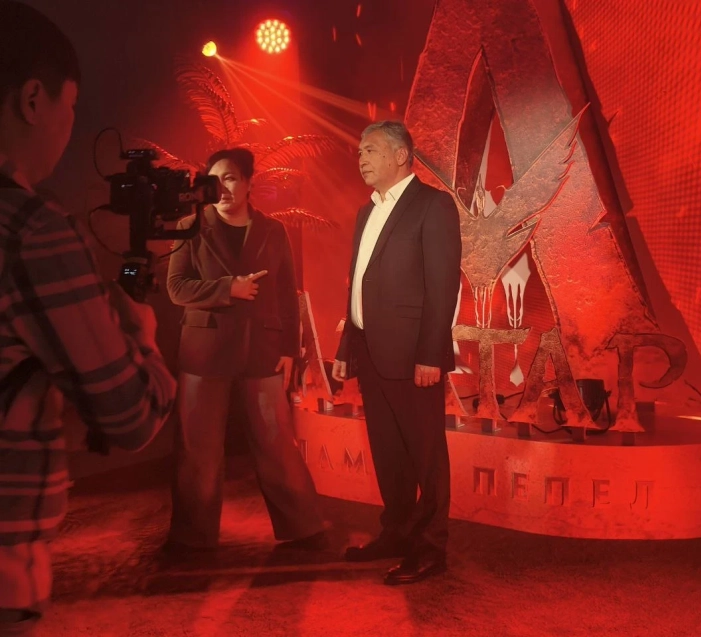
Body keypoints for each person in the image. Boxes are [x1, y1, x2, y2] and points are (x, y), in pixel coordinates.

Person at [0, 3, 177, 634]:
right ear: (32, 100)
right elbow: (129, 414)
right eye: (70, 105)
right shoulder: (33, 232)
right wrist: (144, 340)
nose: (71, 124)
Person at [165, 147, 326, 552]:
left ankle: (304, 527)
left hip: (262, 350)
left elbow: (287, 294)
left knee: (276, 442)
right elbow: (176, 288)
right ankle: (192, 537)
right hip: (204, 352)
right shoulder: (190, 227)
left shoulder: (273, 231)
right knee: (198, 450)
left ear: (249, 182)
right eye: (214, 179)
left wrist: (289, 348)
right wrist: (228, 289)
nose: (223, 188)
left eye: (232, 178)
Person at [333, 121, 462, 585]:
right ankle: (398, 533)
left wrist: (431, 354)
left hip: (413, 358)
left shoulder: (433, 205)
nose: (361, 158)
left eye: (370, 150)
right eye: (359, 151)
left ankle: (430, 548)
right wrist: (347, 346)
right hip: (370, 351)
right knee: (388, 453)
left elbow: (443, 287)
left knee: (426, 455)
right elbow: (358, 286)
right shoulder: (365, 212)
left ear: (402, 155)